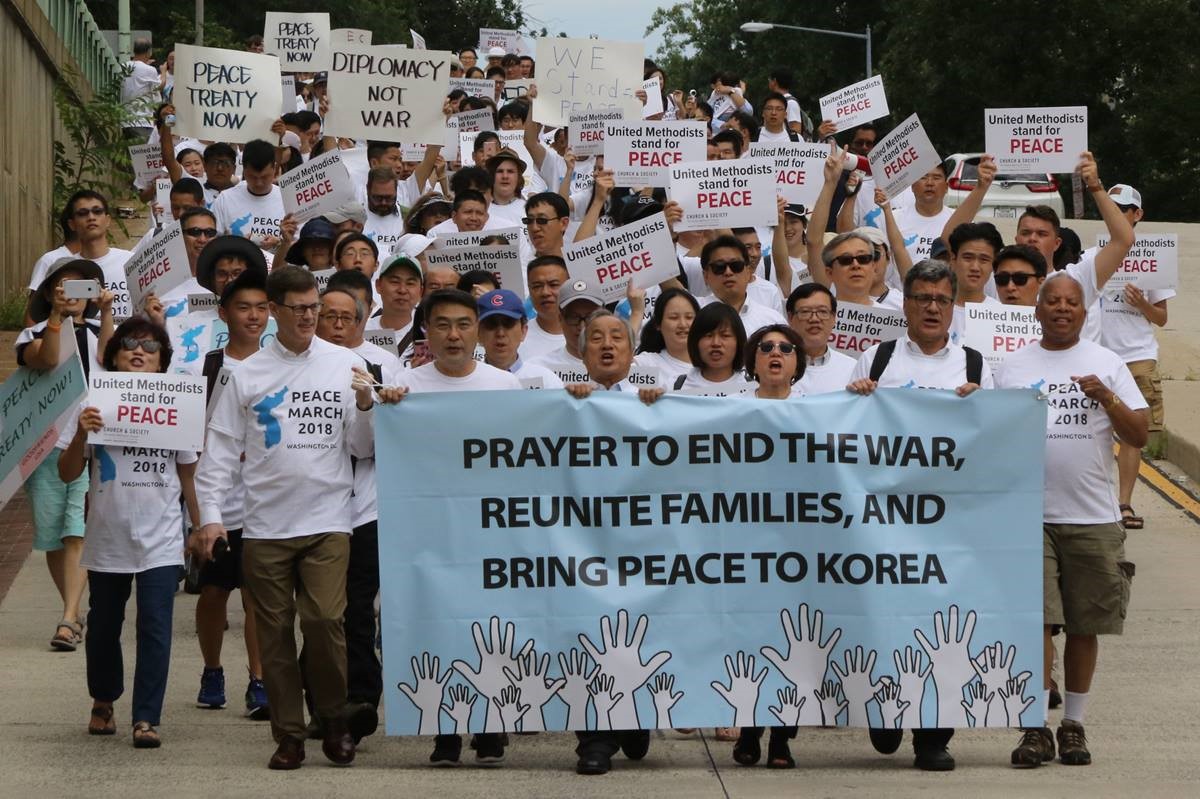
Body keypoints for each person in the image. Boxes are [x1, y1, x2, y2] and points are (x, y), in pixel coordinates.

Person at [191, 266, 380, 769]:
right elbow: (221, 450)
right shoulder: (247, 373)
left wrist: (365, 406)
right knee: (274, 635)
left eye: (313, 308)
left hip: (329, 520)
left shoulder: (346, 363)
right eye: (297, 309)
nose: (308, 318)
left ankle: (334, 719)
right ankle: (289, 734)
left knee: (323, 621)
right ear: (273, 312)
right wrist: (210, 517)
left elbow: (361, 448)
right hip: (266, 526)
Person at [997, 272, 1148, 769]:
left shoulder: (1107, 364)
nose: (1062, 309)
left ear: (1085, 312)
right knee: (1036, 622)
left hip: (1092, 518)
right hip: (1026, 517)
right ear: (1037, 309)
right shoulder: (1011, 367)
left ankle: (1074, 725)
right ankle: (1036, 727)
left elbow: (1140, 436)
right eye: (1053, 302)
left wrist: (1107, 397)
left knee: (1086, 624)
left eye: (1072, 303)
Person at [843, 260, 990, 771]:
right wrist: (855, 399)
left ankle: (933, 736)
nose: (931, 308)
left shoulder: (974, 366)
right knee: (885, 621)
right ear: (904, 303)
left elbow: (991, 444)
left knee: (941, 630)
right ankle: (885, 711)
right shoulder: (874, 359)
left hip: (946, 526)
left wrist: (981, 408)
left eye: (941, 300)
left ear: (953, 307)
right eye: (922, 298)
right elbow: (846, 439)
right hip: (882, 523)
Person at [382, 289, 520, 765]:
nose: (454, 334)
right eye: (442, 324)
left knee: (492, 629)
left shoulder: (505, 387)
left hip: (491, 531)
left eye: (464, 324)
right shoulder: (405, 385)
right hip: (428, 533)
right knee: (436, 625)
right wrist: (378, 408)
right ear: (427, 330)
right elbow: (370, 449)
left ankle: (491, 724)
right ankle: (444, 728)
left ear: (478, 329)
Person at [57, 318, 199, 748]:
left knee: (155, 626)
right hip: (108, 537)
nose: (139, 351)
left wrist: (200, 526)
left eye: (150, 347)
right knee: (103, 626)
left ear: (162, 364)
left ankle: (145, 718)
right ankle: (104, 698)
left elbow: (189, 476)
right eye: (130, 345)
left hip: (161, 539)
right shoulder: (91, 403)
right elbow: (67, 473)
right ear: (114, 355)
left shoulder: (178, 404)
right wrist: (82, 431)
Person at [182, 269, 270, 720]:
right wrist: (198, 514)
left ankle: (259, 680)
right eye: (243, 307)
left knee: (257, 595)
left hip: (263, 504)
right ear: (223, 313)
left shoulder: (275, 365)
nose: (253, 316)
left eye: (261, 307)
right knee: (215, 591)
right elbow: (190, 444)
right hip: (218, 503)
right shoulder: (208, 368)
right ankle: (212, 670)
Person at [17, 258, 115, 650]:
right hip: (47, 446)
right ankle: (72, 609)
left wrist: (106, 313)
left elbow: (112, 363)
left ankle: (68, 619)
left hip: (92, 443)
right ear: (49, 291)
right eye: (64, 286)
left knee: (77, 527)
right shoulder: (31, 334)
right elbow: (46, 358)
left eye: (82, 287)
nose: (73, 293)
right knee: (55, 537)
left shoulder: (99, 330)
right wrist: (57, 316)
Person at [730, 323, 806, 766]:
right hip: (746, 546)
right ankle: (750, 729)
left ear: (797, 361)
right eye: (766, 347)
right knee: (752, 639)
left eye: (785, 347)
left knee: (793, 641)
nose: (776, 353)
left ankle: (781, 738)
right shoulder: (731, 409)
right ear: (752, 360)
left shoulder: (821, 410)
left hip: (801, 550)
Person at [1098, 184, 1169, 531]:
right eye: (1111, 207)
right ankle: (1099, 499)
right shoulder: (1094, 253)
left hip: (1138, 357)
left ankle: (1123, 503)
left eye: (1123, 208)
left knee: (1131, 436)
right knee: (1093, 432)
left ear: (1137, 214)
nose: (1117, 213)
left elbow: (1161, 317)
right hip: (1099, 355)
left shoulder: (1152, 255)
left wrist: (1140, 302)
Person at [57, 191, 134, 318]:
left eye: (97, 211)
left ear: (108, 220)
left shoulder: (130, 261)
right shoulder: (65, 268)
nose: (91, 217)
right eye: (82, 213)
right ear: (72, 224)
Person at [697, 235, 786, 336]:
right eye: (719, 267)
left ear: (748, 272)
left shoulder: (772, 320)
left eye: (736, 266)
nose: (728, 272)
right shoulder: (694, 314)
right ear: (706, 275)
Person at [476, 289, 563, 387]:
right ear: (477, 333)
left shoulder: (547, 380)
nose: (500, 333)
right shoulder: (468, 384)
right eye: (491, 324)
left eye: (508, 323)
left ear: (523, 331)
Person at [212, 140, 284, 249]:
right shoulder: (225, 199)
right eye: (253, 177)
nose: (259, 183)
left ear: (274, 168)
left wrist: (279, 243)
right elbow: (211, 242)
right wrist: (239, 244)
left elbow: (300, 241)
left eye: (265, 177)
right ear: (244, 170)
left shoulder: (287, 198)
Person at [786, 283, 855, 395]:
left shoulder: (852, 368)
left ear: (834, 318)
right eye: (805, 312)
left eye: (823, 312)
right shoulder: (775, 365)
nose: (814, 319)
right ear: (790, 318)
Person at [529, 277, 600, 384]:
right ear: (560, 319)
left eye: (590, 317)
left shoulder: (626, 369)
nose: (582, 327)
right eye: (573, 317)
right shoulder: (536, 369)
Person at [673, 303, 751, 396]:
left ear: (738, 341)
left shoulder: (753, 388)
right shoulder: (676, 386)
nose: (716, 343)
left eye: (725, 335)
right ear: (695, 341)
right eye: (708, 336)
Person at [947, 222, 1005, 343]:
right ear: (953, 259)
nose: (975, 267)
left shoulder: (1002, 316)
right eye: (968, 258)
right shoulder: (932, 308)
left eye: (984, 259)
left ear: (993, 265)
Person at [635, 287, 698, 386]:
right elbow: (617, 373)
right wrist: (636, 312)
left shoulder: (717, 362)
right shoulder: (648, 364)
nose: (683, 324)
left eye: (689, 317)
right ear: (658, 324)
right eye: (674, 317)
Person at [520, 255, 569, 361]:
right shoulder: (517, 338)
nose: (545, 292)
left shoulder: (588, 334)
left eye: (553, 285)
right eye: (537, 286)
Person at [120, 39, 165, 141]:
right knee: (141, 155)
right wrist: (163, 72)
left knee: (127, 155)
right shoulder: (150, 70)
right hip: (142, 120)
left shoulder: (123, 66)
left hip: (124, 120)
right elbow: (160, 86)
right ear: (149, 52)